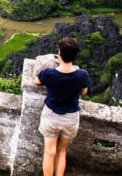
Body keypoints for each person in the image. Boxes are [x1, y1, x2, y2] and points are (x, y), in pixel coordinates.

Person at [34, 37, 90, 176]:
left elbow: (36, 81)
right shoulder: (82, 75)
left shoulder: (49, 73)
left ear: (59, 53)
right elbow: (83, 91)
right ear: (75, 55)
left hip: (51, 116)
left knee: (49, 152)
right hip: (70, 119)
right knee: (61, 151)